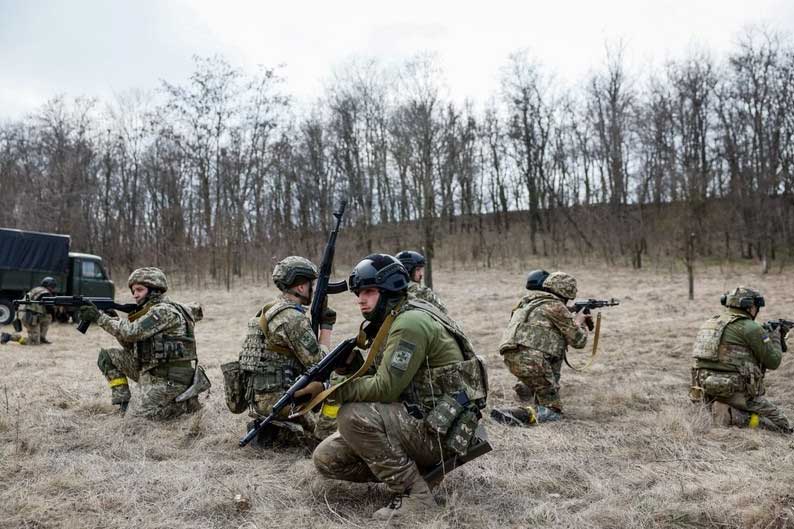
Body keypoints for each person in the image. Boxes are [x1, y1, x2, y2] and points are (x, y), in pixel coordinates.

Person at [309, 254, 488, 520]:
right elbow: (383, 373)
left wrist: (331, 392)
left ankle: (416, 497)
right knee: (327, 457)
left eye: (369, 292)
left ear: (390, 289)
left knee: (352, 416)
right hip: (421, 419)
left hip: (439, 432)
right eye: (359, 293)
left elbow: (385, 388)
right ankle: (415, 474)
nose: (360, 299)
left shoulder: (410, 323)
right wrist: (348, 366)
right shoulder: (394, 317)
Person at [221, 256, 336, 447]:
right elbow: (320, 365)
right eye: (311, 284)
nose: (313, 289)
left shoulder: (268, 310)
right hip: (280, 401)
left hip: (258, 399)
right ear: (300, 287)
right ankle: (295, 433)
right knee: (331, 404)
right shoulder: (292, 318)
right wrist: (327, 327)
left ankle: (278, 430)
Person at [79, 267, 208, 419]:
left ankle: (180, 405)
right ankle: (123, 405)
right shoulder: (150, 310)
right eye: (133, 291)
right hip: (153, 371)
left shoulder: (163, 311)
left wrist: (100, 318)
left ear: (155, 290)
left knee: (136, 420)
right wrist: (113, 320)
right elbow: (131, 343)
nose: (135, 295)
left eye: (139, 290)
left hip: (171, 379)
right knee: (107, 357)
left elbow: (132, 332)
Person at [491, 271, 589, 426]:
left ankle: (527, 387)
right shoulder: (556, 307)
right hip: (534, 363)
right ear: (568, 292)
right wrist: (578, 322)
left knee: (543, 375)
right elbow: (579, 341)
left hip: (512, 358)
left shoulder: (526, 303)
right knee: (552, 412)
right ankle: (515, 415)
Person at [690, 286, 791, 433]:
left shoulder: (710, 323)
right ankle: (732, 416)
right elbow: (773, 362)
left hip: (705, 389)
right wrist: (776, 337)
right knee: (782, 425)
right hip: (737, 393)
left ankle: (714, 408)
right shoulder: (751, 327)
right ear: (750, 307)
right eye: (756, 307)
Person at [2, 277, 57, 345]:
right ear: (50, 286)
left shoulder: (37, 289)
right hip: (28, 315)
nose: (53, 289)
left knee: (47, 317)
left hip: (25, 312)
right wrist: (55, 316)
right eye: (53, 287)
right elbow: (50, 308)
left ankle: (41, 338)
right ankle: (9, 337)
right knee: (34, 343)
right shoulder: (45, 293)